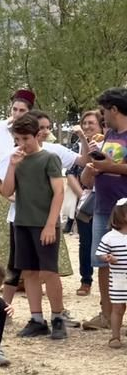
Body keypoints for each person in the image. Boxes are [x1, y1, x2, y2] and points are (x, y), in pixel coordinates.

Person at [0, 111, 66, 340]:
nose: (22, 144)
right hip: (22, 222)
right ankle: (37, 319)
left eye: (26, 139)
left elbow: (59, 192)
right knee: (29, 272)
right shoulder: (17, 159)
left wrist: (50, 225)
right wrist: (12, 166)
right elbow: (6, 191)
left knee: (49, 271)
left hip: (44, 223)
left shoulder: (49, 158)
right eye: (18, 139)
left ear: (37, 136)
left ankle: (58, 317)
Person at [78, 88, 127, 334]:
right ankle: (107, 314)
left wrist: (112, 166)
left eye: (105, 110)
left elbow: (117, 167)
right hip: (102, 206)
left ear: (114, 109)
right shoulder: (108, 135)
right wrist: (93, 169)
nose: (103, 115)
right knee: (103, 260)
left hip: (124, 209)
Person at [68, 108, 102, 297]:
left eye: (92, 123)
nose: (87, 126)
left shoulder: (107, 144)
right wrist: (82, 194)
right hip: (86, 197)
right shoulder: (76, 146)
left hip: (107, 196)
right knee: (86, 241)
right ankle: (86, 280)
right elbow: (71, 173)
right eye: (85, 123)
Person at [93, 199, 127, 348]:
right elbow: (100, 253)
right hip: (118, 279)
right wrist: (107, 257)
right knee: (117, 308)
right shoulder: (109, 237)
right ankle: (115, 336)